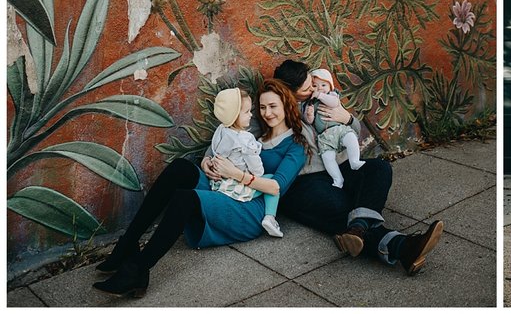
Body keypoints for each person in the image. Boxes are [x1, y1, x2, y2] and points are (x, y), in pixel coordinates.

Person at [92, 79, 308, 297]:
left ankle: (137, 271)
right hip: (227, 187)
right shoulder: (253, 135)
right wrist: (207, 164)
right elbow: (215, 151)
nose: (267, 113)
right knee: (180, 168)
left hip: (251, 208)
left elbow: (275, 187)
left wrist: (235, 173)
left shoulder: (296, 146)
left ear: (286, 106)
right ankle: (127, 244)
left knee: (185, 199)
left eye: (273, 106)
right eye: (262, 107)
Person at [272, 59, 443, 274]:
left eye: (314, 84)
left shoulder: (323, 99)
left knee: (379, 169)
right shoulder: (277, 109)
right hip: (306, 179)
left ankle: (359, 228)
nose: (314, 90)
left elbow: (353, 129)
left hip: (339, 166)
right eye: (307, 89)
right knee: (341, 206)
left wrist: (347, 118)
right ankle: (402, 246)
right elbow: (248, 138)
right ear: (289, 91)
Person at [208, 87, 283, 237]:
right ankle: (270, 217)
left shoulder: (221, 130)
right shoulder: (245, 139)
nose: (250, 115)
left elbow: (214, 151)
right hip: (236, 186)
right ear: (235, 115)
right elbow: (257, 171)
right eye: (247, 111)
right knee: (271, 183)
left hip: (219, 182)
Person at [304, 68, 365, 188]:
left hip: (338, 129)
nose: (319, 88)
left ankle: (354, 161)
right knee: (327, 157)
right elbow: (310, 122)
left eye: (323, 85)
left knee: (351, 137)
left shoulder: (332, 95)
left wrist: (320, 95)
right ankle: (338, 179)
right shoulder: (312, 102)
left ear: (330, 86)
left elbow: (333, 103)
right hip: (325, 136)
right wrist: (310, 114)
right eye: (315, 86)